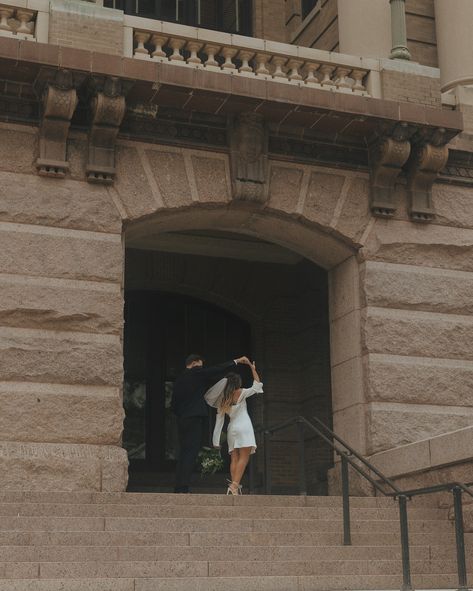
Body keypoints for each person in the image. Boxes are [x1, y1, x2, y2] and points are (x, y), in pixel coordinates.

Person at [171, 353, 250, 493]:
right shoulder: (196, 372)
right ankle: (183, 487)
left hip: (182, 419)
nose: (201, 368)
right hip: (194, 417)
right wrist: (236, 361)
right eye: (200, 365)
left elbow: (173, 404)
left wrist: (181, 415)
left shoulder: (178, 380)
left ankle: (178, 486)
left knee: (183, 452)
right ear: (195, 363)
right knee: (191, 452)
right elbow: (215, 369)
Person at [205, 360, 262, 495]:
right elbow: (257, 386)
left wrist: (215, 441)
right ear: (238, 383)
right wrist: (252, 368)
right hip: (244, 427)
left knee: (234, 458)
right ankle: (235, 485)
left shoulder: (222, 400)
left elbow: (219, 423)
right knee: (244, 457)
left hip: (232, 429)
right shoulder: (242, 393)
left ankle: (233, 487)